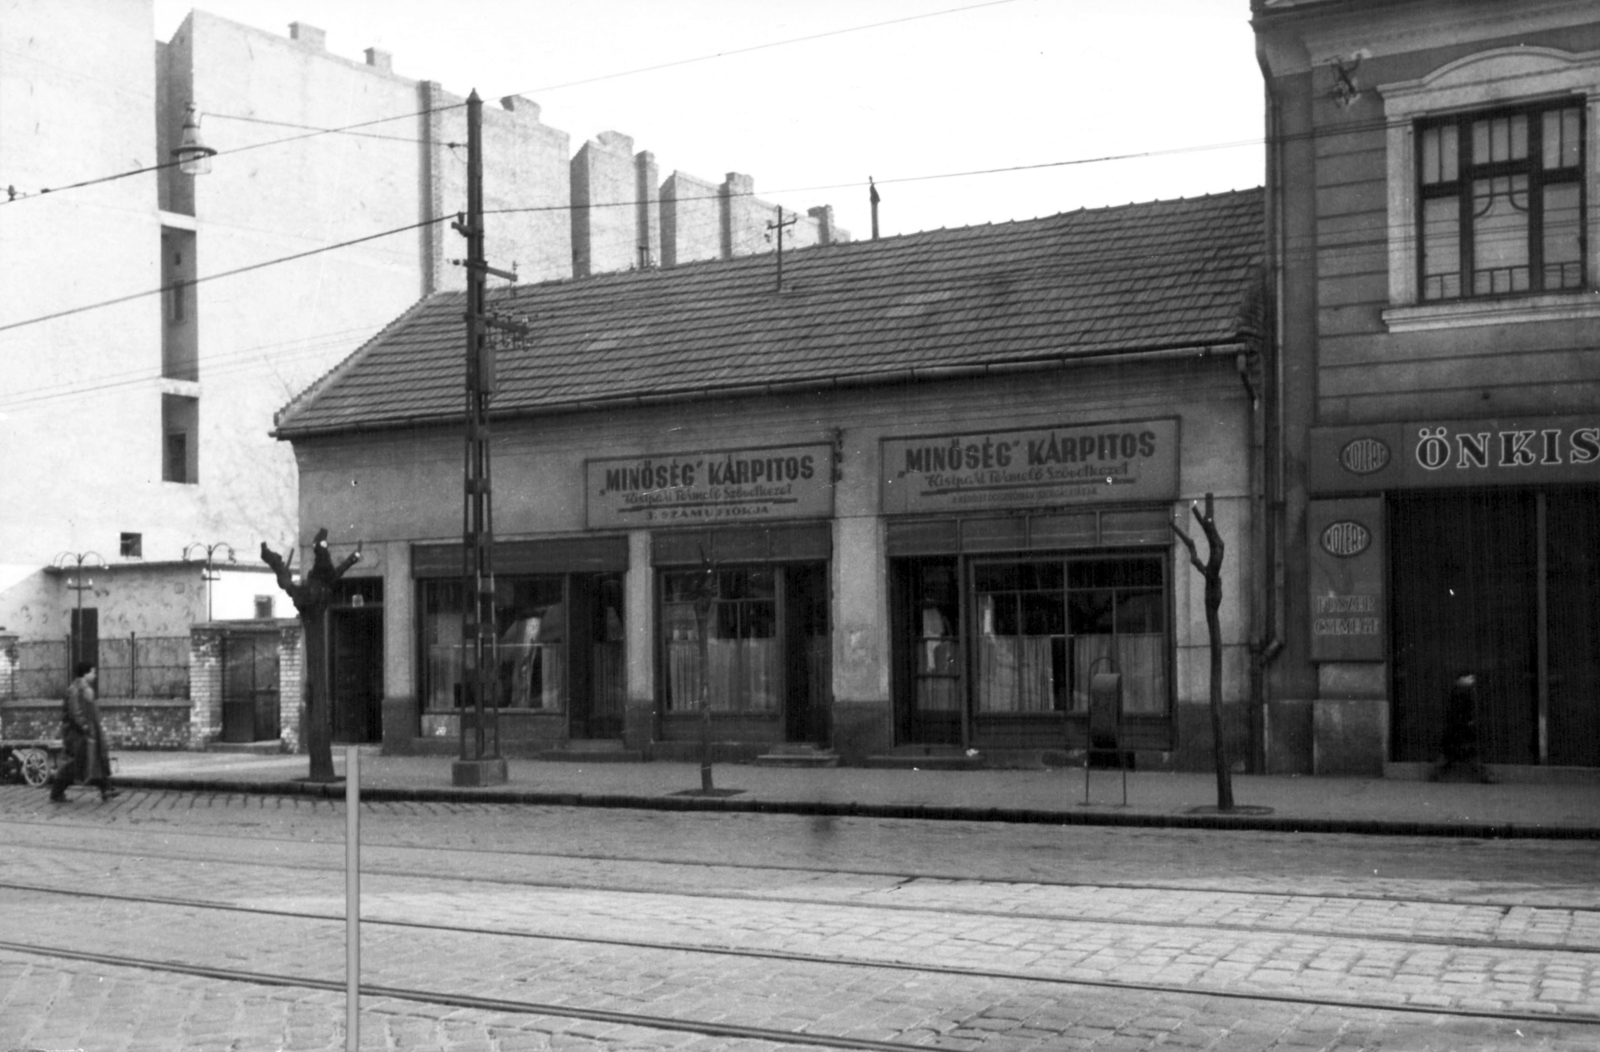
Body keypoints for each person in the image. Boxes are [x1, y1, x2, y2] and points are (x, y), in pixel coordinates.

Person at [48, 662, 118, 802]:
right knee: (76, 764)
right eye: (93, 672)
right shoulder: (76, 689)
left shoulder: (82, 688)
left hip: (86, 733)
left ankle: (106, 789)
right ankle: (56, 793)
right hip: (78, 735)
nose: (95, 675)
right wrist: (85, 727)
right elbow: (76, 712)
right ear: (85, 673)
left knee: (94, 760)